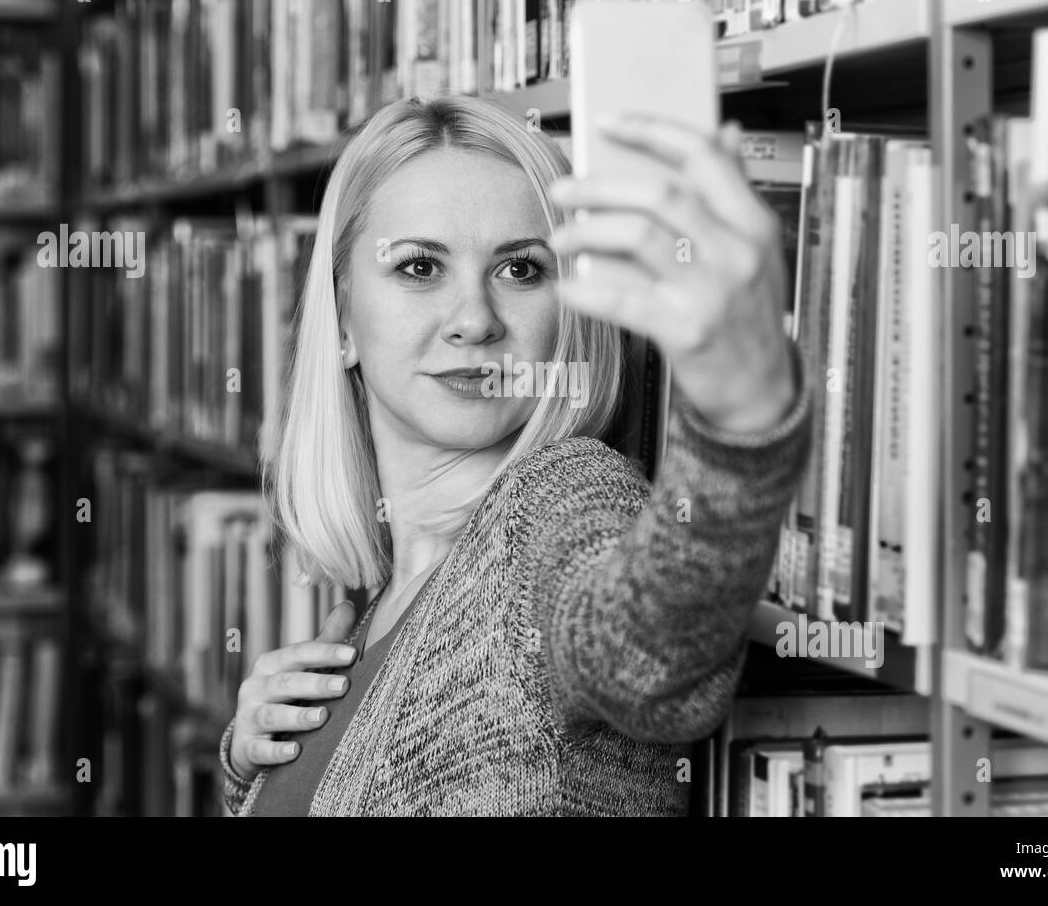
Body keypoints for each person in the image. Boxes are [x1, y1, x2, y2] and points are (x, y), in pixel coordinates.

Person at [218, 93, 810, 816]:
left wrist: (740, 414)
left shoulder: (554, 504)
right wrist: (252, 768)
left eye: (522, 270)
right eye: (419, 268)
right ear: (343, 318)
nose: (474, 321)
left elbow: (648, 651)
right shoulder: (378, 602)